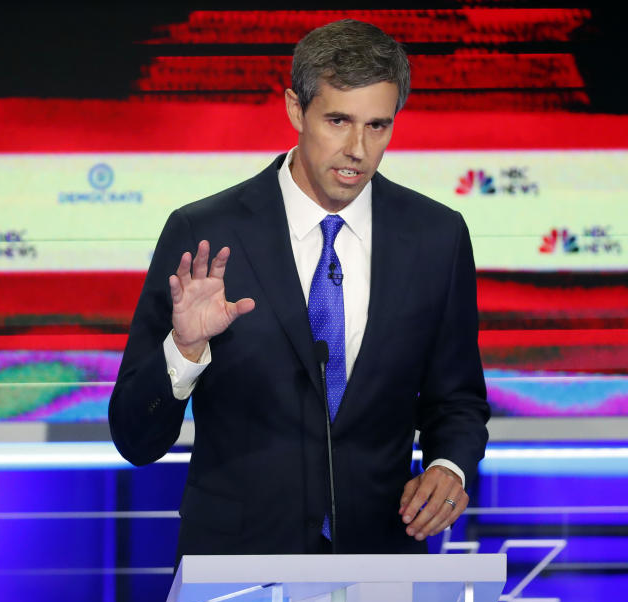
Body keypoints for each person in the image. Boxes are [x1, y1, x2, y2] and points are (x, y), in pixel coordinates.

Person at [109, 19, 489, 557]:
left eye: (377, 126)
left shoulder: (436, 237)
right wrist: (186, 350)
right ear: (295, 109)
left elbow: (457, 399)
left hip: (379, 564)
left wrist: (448, 466)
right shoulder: (205, 234)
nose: (357, 148)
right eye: (338, 120)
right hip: (236, 569)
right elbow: (134, 436)